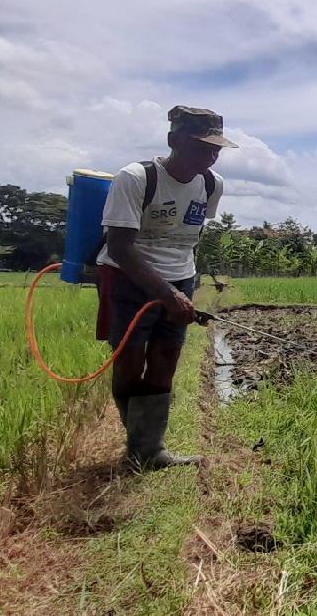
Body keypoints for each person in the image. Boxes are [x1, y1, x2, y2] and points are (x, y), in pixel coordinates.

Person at [96, 105, 237, 470]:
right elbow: (120, 247)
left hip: (180, 276)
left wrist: (184, 286)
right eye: (201, 145)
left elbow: (186, 238)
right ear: (174, 139)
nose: (211, 155)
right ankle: (139, 446)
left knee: (165, 360)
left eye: (216, 148)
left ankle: (149, 451)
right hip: (129, 277)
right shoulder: (137, 178)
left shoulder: (211, 184)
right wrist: (166, 294)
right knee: (130, 361)